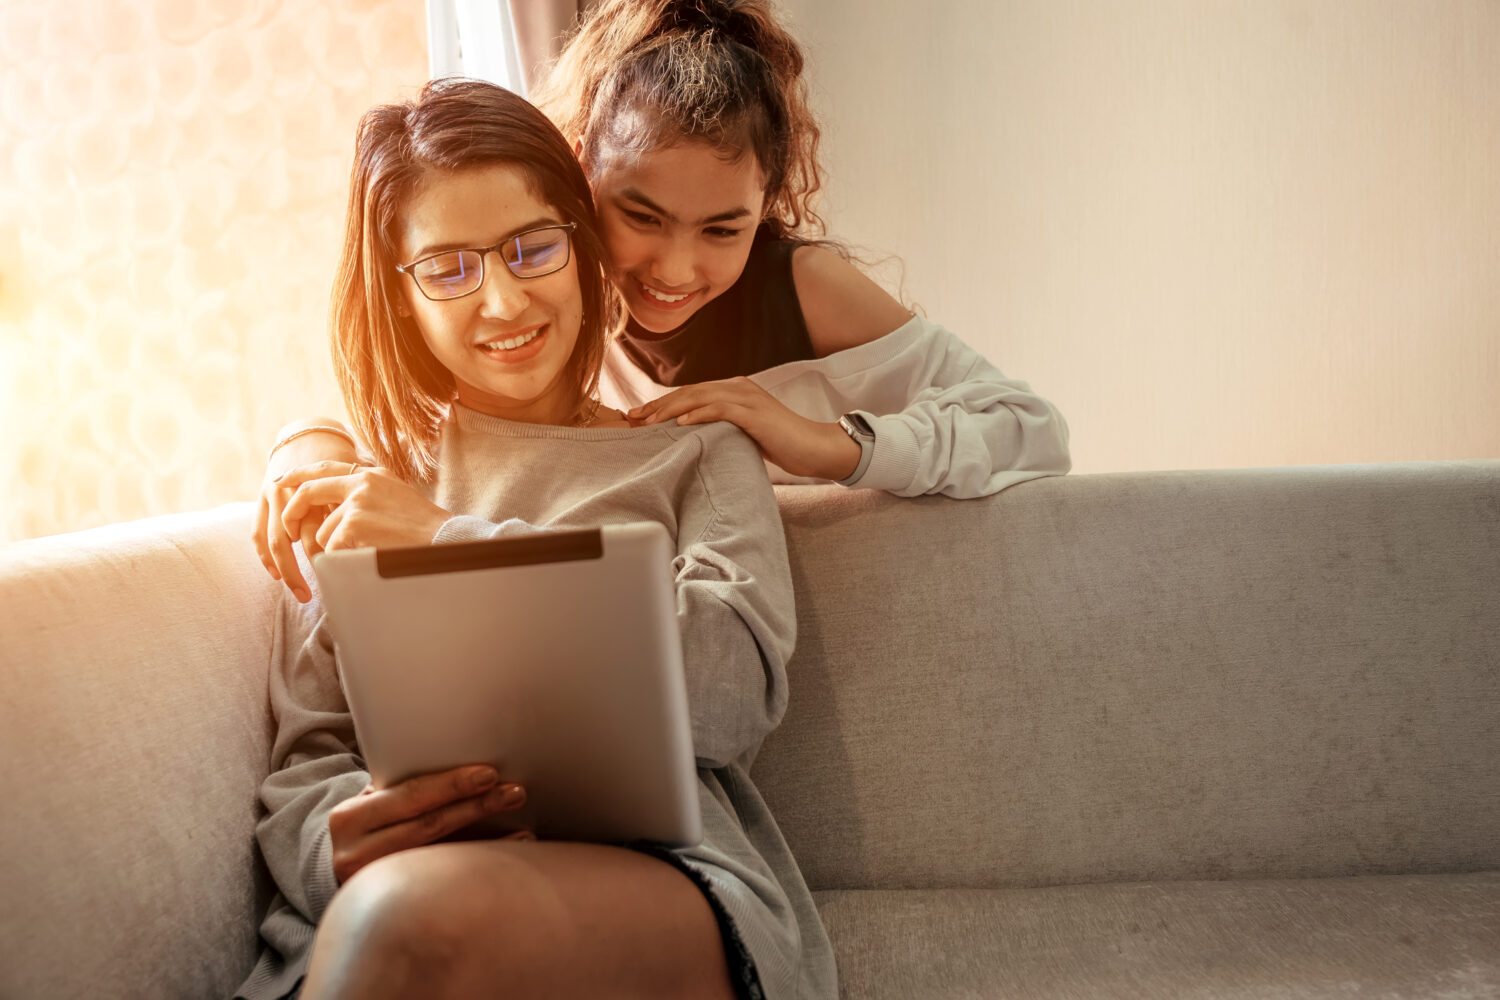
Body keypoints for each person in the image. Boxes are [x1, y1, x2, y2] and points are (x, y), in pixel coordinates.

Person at [234, 77, 834, 1000]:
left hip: (664, 882)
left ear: (582, 245)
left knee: (413, 920)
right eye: (449, 268)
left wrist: (448, 543)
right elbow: (308, 755)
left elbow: (731, 694)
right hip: (389, 906)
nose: (505, 302)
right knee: (401, 912)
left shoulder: (697, 454)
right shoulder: (361, 490)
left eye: (531, 247)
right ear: (404, 300)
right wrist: (332, 839)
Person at [256, 0, 1071, 603]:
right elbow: (410, 384)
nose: (672, 269)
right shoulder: (550, 288)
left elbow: (1031, 429)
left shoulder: (803, 286)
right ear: (582, 173)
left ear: (766, 203)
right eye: (640, 216)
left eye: (723, 228)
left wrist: (823, 444)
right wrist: (307, 445)